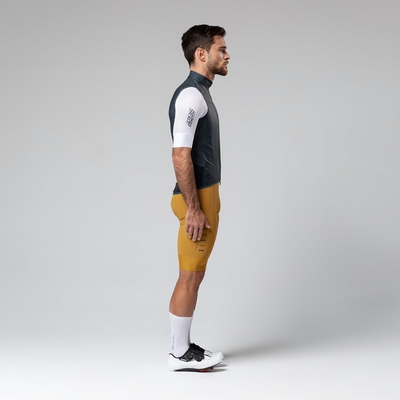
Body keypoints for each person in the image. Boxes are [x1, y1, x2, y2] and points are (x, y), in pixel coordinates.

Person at [167, 24, 230, 372]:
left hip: (205, 197)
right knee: (189, 276)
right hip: (197, 201)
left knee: (195, 275)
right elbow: (180, 155)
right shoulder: (191, 95)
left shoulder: (201, 93)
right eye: (222, 49)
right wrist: (194, 208)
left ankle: (184, 347)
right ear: (201, 54)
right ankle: (179, 353)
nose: (227, 55)